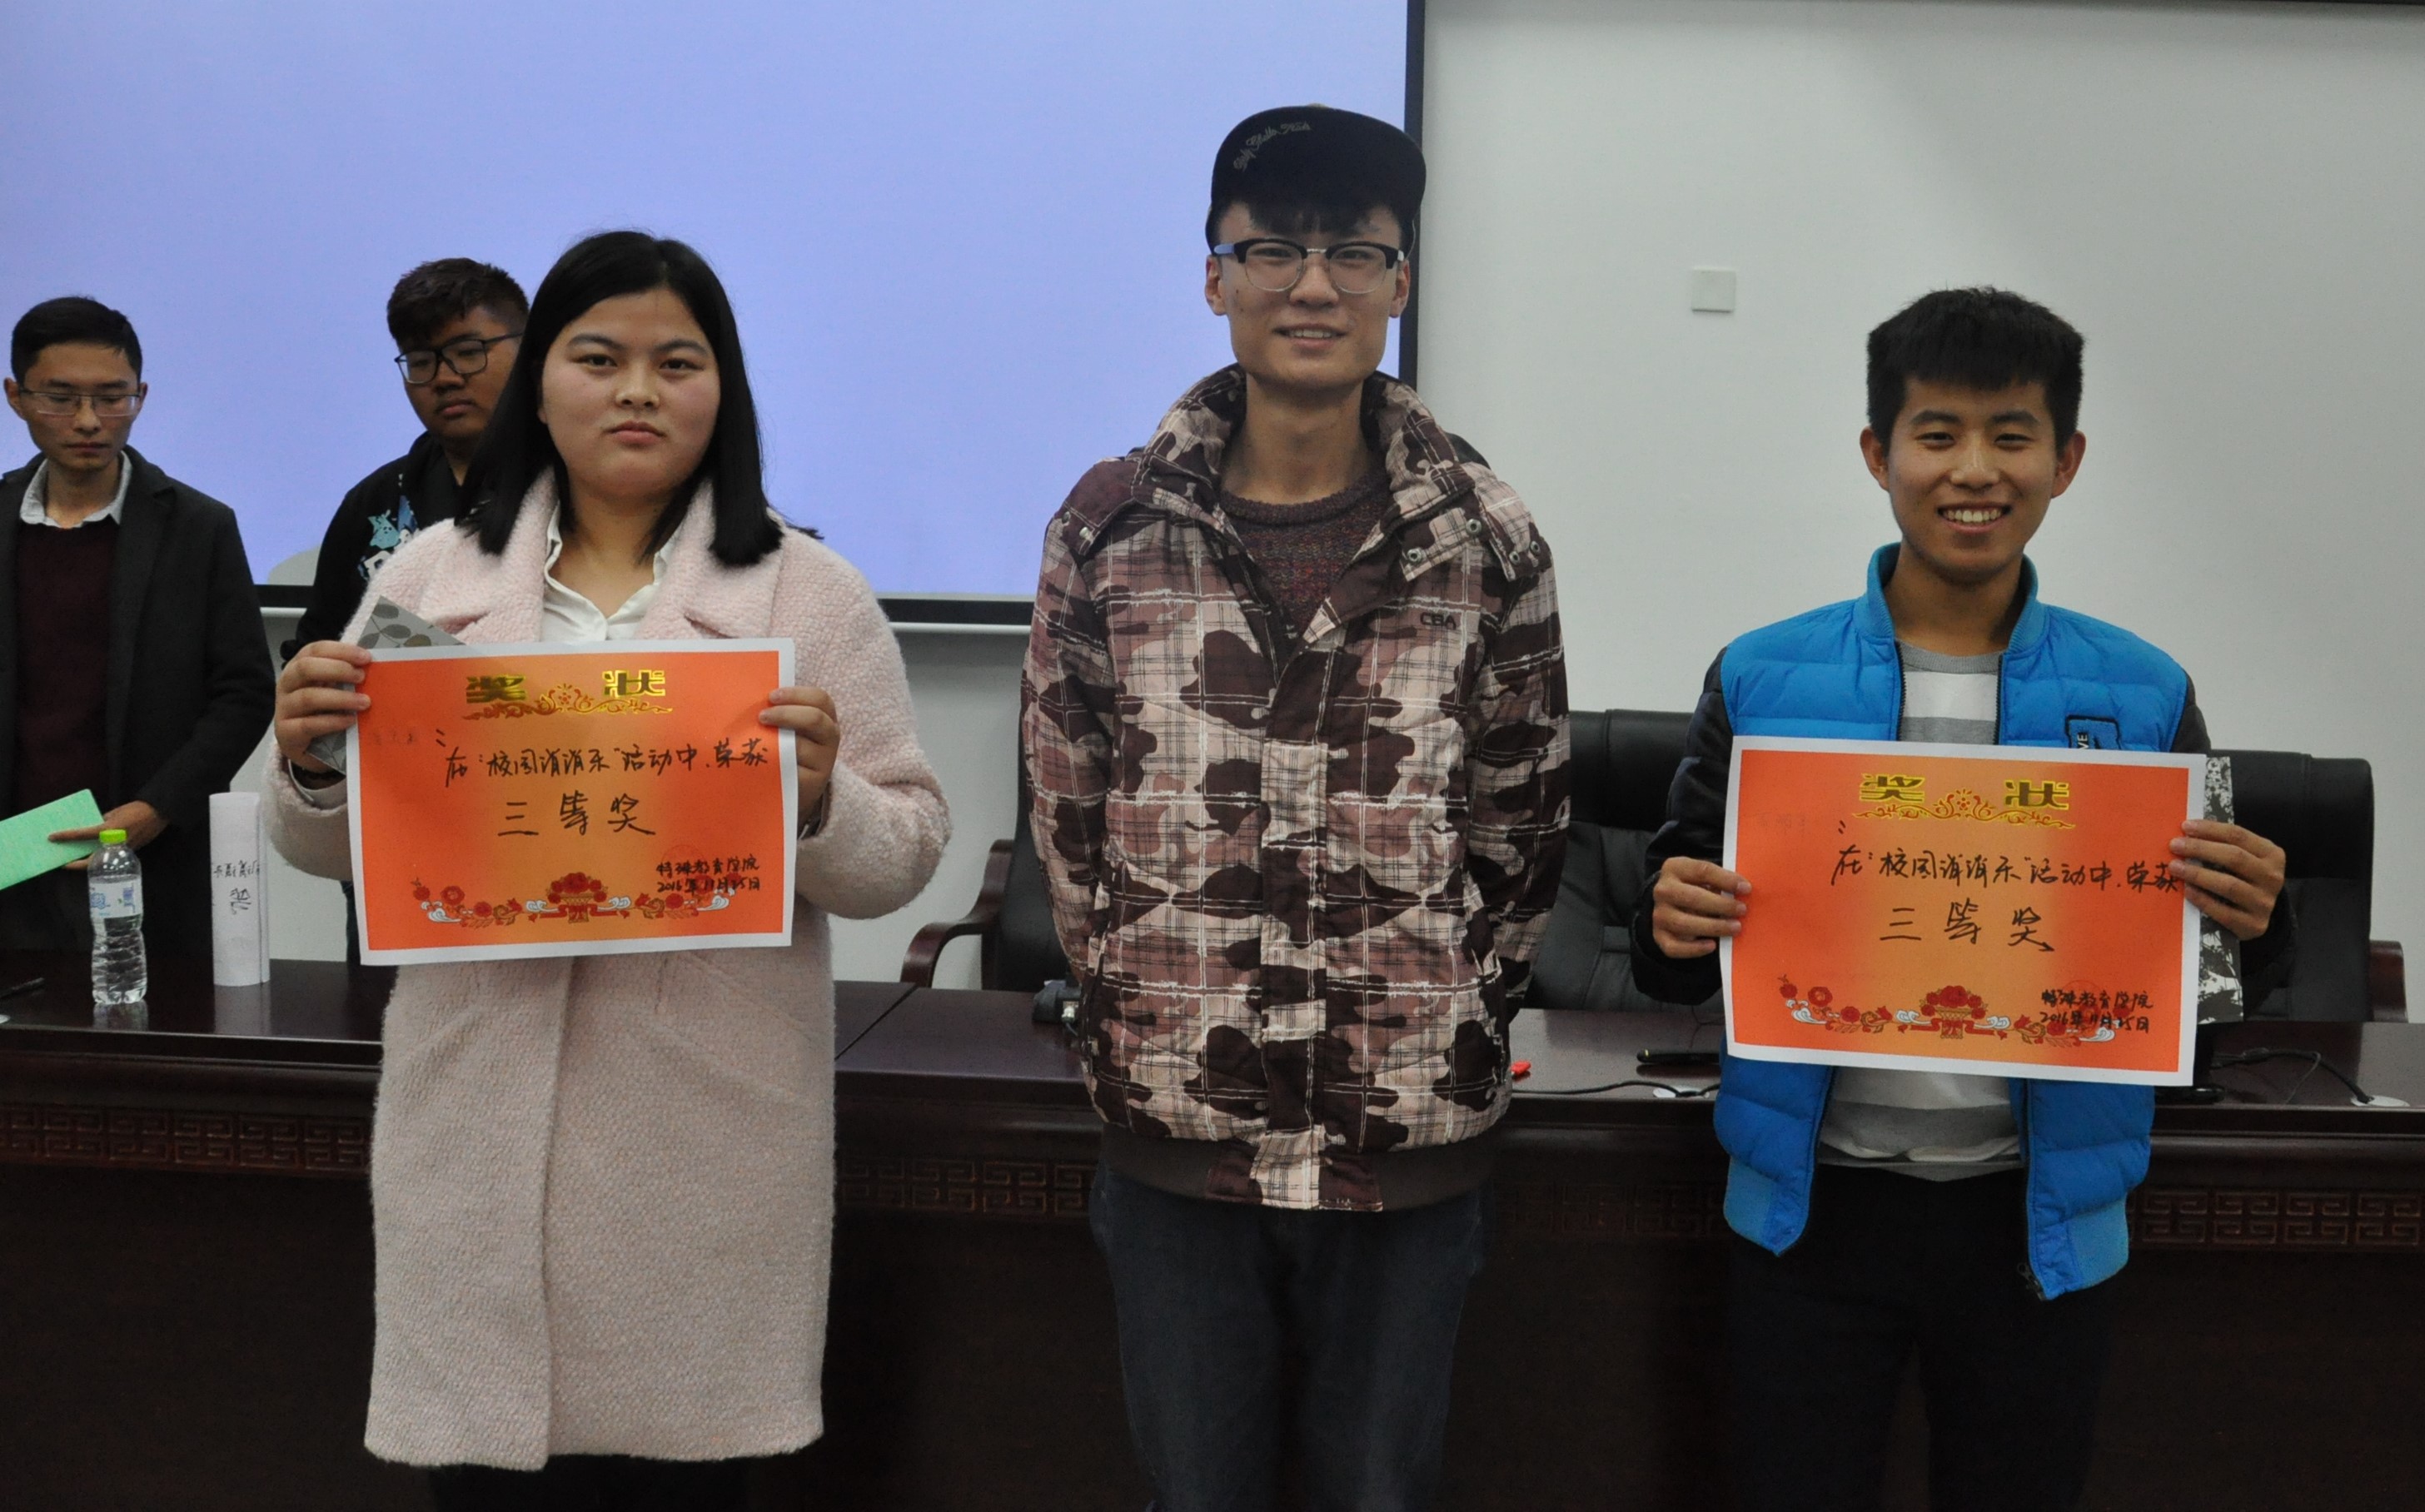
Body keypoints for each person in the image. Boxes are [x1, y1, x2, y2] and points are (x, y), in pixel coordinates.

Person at [267, 231, 949, 1508]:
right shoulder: (428, 575)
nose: (637, 390)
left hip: (698, 1147)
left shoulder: (809, 593)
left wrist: (821, 800)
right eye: (597, 358)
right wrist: (306, 763)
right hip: (476, 1132)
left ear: (722, 390)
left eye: (676, 362)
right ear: (539, 383)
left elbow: (903, 851)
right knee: (487, 1484)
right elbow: (329, 846)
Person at [1634, 288, 2293, 1511]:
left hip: (2037, 1223)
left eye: (2011, 435)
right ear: (1877, 453)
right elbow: (1669, 953)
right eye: (1936, 434)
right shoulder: (1763, 674)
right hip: (1810, 1211)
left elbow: (2209, 984)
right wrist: (1670, 920)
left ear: (2066, 461)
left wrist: (2253, 915)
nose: (1973, 469)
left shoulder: (2142, 690)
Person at [1023, 107, 1568, 1512]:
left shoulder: (1483, 533)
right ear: (1215, 277)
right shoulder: (1112, 523)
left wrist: (1447, 1001)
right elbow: (1070, 810)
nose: (1311, 286)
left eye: (1352, 252)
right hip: (1179, 1130)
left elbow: (1520, 823)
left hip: (1403, 1136)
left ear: (1401, 282)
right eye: (1273, 250)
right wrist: (1132, 992)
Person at [0, 296, 276, 957]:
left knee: (149, 1019)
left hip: (150, 856)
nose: (88, 420)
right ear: (16, 397)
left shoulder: (199, 527)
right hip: (13, 858)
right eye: (60, 398)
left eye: (112, 398)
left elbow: (244, 692)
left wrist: (158, 809)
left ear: (141, 397)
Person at [289, 258, 528, 653]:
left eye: (469, 352)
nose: (444, 378)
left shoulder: (581, 486)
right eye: (420, 362)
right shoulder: (373, 503)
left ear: (531, 351)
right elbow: (319, 642)